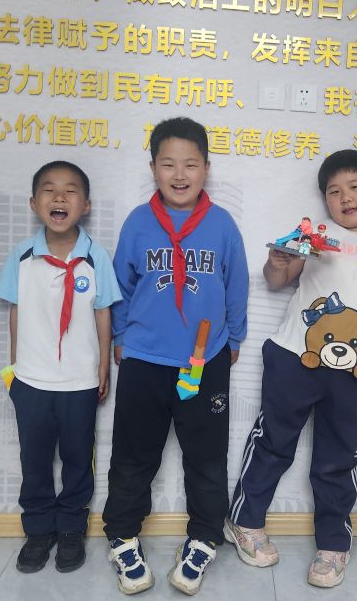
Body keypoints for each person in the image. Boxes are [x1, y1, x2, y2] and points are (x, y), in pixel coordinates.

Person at [225, 150, 357, 589]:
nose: (345, 197)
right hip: (295, 354)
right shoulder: (316, 232)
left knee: (337, 458)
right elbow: (277, 279)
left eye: (355, 187)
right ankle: (245, 521)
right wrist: (277, 262)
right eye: (334, 191)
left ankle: (333, 544)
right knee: (273, 442)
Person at [103, 117, 248, 595]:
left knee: (206, 458)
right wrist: (121, 336)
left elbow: (236, 285)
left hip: (205, 361)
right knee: (132, 455)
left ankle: (204, 537)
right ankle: (122, 535)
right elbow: (121, 285)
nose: (179, 174)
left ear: (206, 168)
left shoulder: (222, 225)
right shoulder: (138, 222)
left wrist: (234, 339)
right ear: (153, 168)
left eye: (190, 164)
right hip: (144, 359)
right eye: (168, 164)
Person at [0, 161, 120, 575]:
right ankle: (37, 530)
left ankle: (70, 528)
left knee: (77, 458)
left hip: (79, 381)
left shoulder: (96, 257)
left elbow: (103, 312)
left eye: (70, 191)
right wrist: (15, 369)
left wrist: (102, 367)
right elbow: (16, 311)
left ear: (86, 205)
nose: (59, 197)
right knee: (34, 459)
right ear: (34, 203)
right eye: (49, 190)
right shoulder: (22, 256)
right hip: (31, 379)